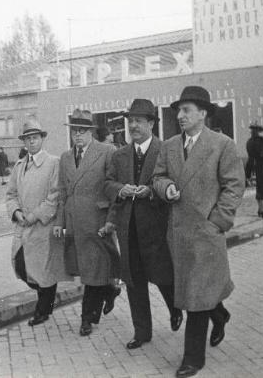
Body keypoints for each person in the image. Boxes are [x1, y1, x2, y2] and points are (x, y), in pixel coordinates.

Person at [151, 86, 245, 378]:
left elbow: (234, 185)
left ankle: (193, 358)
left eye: (186, 110)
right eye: (178, 111)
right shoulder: (168, 146)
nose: (180, 116)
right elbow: (158, 177)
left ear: (203, 113)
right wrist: (165, 188)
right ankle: (220, 315)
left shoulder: (222, 144)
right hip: (177, 234)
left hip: (205, 233)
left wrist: (218, 220)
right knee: (196, 291)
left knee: (195, 295)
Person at [104, 99, 182, 350]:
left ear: (151, 123)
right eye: (130, 121)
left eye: (139, 121)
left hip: (158, 227)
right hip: (129, 230)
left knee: (163, 276)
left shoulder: (166, 149)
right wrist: (121, 189)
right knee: (134, 282)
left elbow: (173, 181)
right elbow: (107, 184)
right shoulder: (120, 155)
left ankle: (175, 309)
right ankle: (142, 332)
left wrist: (151, 190)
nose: (133, 126)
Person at [53, 109, 120, 337]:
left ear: (91, 132)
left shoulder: (107, 152)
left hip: (97, 222)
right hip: (74, 223)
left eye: (82, 131)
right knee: (88, 271)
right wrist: (60, 222)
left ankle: (86, 319)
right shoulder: (65, 157)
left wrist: (112, 220)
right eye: (74, 132)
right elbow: (62, 191)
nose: (78, 136)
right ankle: (109, 290)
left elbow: (114, 190)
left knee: (93, 271)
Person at [6, 120, 72, 327]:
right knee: (21, 265)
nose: (31, 141)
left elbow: (55, 195)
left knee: (43, 270)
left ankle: (43, 310)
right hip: (23, 225)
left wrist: (35, 215)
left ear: (42, 139)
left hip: (43, 225)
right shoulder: (19, 166)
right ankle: (46, 302)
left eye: (35, 137)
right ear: (24, 142)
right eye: (28, 138)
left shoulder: (53, 163)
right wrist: (16, 212)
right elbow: (11, 194)